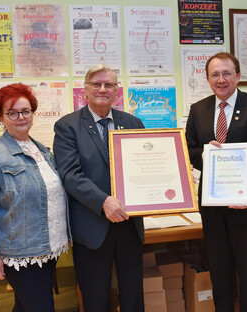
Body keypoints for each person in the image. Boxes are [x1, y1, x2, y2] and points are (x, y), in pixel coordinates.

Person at [0, 83, 70, 312]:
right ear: (0, 118)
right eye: (12, 112)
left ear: (32, 114)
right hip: (20, 255)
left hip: (49, 249)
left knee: (24, 306)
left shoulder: (42, 151)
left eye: (25, 111)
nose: (20, 117)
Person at [185, 52, 247, 312]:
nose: (221, 79)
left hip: (245, 205)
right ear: (207, 79)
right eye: (215, 74)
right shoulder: (198, 109)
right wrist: (205, 153)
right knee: (220, 270)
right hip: (213, 206)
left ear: (238, 76)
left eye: (227, 73)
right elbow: (189, 151)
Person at [53, 64, 145, 312]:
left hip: (129, 224)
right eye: (96, 84)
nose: (103, 89)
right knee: (95, 300)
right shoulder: (67, 126)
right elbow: (70, 175)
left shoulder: (133, 122)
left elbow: (144, 168)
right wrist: (104, 201)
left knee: (133, 296)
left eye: (109, 85)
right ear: (85, 89)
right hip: (92, 227)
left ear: (117, 91)